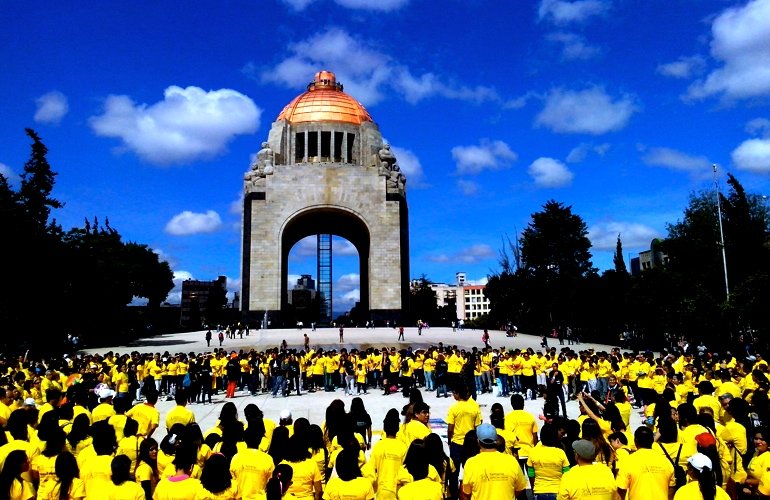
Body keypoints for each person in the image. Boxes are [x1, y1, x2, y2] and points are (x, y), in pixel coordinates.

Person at [460, 424, 528, 500]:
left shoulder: (471, 463)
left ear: (478, 441)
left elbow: (466, 493)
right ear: (496, 440)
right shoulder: (511, 461)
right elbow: (520, 489)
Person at [616, 426, 675, 499]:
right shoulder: (666, 461)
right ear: (652, 441)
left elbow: (621, 489)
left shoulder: (628, 461)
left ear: (635, 441)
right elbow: (671, 488)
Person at [229, 426, 274, 499]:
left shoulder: (236, 458)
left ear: (245, 440)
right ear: (260, 440)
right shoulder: (267, 459)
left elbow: (233, 480)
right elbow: (270, 482)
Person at [371, 411, 407, 500]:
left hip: (381, 491)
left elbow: (371, 470)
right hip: (397, 491)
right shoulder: (403, 447)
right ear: (397, 428)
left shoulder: (378, 446)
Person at [527, 424, 570, 498]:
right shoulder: (560, 452)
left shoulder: (533, 452)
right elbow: (567, 474)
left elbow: (531, 475)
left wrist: (534, 490)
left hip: (539, 491)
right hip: (558, 492)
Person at [446, 385, 482, 470]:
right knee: (470, 469)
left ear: (458, 394)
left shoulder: (453, 408)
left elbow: (450, 428)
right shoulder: (474, 407)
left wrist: (449, 441)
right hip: (470, 443)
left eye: (454, 393)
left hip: (457, 442)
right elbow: (477, 426)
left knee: (454, 471)